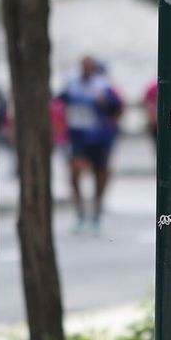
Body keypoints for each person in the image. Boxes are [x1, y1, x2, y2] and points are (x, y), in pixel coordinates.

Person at [53, 55, 123, 233]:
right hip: (79, 138)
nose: (86, 70)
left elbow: (118, 108)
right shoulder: (72, 84)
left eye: (90, 67)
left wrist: (105, 106)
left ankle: (97, 211)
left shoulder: (104, 86)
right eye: (83, 66)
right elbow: (58, 103)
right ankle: (80, 213)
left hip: (101, 138)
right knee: (75, 173)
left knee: (100, 174)